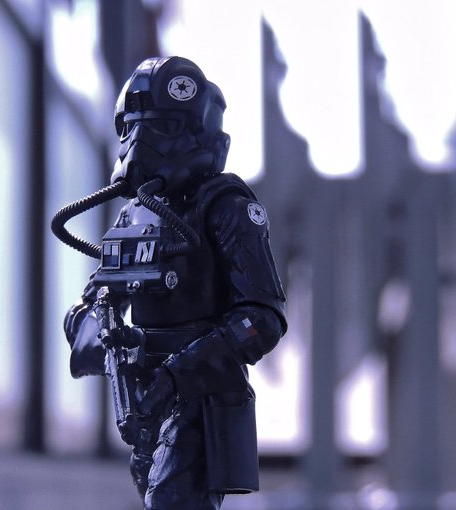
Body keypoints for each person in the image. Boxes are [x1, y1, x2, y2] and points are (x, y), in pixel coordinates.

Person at [61, 56, 287, 510]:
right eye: (132, 128)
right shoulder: (135, 215)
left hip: (201, 395)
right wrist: (101, 332)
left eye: (163, 126)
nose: (141, 142)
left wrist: (180, 371)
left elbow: (262, 319)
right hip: (146, 397)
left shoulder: (225, 206)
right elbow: (95, 302)